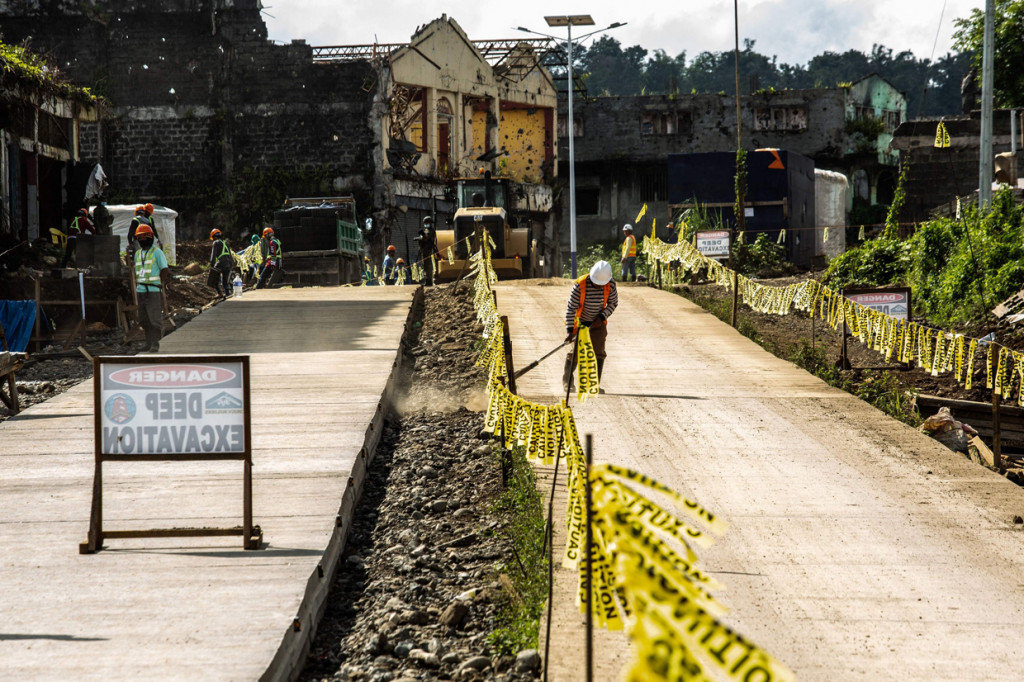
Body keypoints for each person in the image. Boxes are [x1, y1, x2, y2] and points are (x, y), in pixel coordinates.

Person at [563, 260, 618, 393]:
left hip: (598, 323)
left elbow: (613, 303)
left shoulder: (610, 285)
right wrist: (570, 331)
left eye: (601, 285)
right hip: (580, 323)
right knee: (575, 353)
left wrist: (602, 317)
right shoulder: (580, 285)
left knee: (599, 352)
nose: (599, 287)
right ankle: (568, 382)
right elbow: (571, 309)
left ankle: (593, 385)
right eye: (596, 284)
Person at [133, 224, 169, 352]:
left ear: (150, 237)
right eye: (140, 238)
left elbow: (164, 269)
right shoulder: (138, 254)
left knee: (154, 319)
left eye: (145, 237)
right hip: (141, 290)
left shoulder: (157, 252)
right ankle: (148, 343)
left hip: (153, 290)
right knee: (144, 319)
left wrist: (161, 283)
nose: (142, 240)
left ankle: (155, 344)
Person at [209, 228, 233, 298]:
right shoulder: (226, 243)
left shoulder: (215, 243)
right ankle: (227, 294)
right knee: (225, 282)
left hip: (220, 263)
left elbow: (213, 257)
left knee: (214, 280)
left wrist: (212, 266)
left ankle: (219, 293)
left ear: (214, 236)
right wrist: (230, 265)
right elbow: (230, 256)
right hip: (228, 263)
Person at [416, 216, 438, 286]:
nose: (426, 224)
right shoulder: (426, 230)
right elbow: (423, 238)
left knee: (428, 265)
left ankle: (429, 281)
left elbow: (426, 238)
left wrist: (422, 235)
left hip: (428, 250)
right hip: (423, 250)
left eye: (427, 223)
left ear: (430, 223)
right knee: (424, 265)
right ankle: (427, 280)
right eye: (425, 223)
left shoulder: (431, 230)